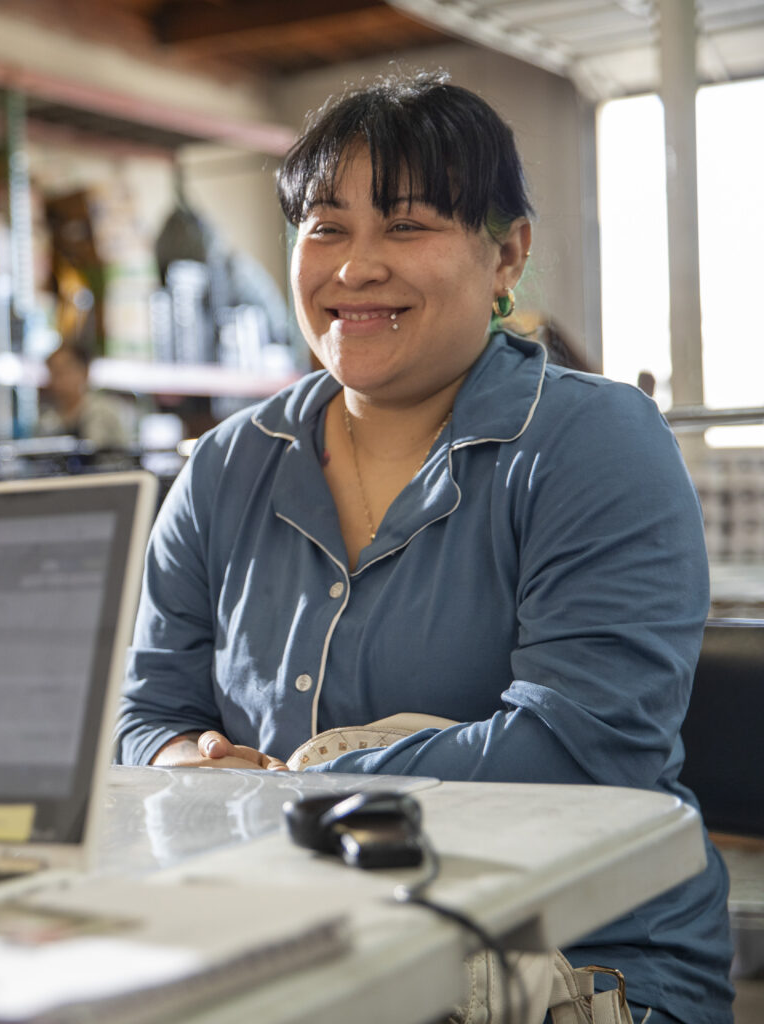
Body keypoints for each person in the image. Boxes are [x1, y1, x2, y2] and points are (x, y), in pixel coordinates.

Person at [116, 72, 732, 1024]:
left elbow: (583, 748)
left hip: (567, 956)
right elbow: (147, 710)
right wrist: (182, 762)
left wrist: (292, 791)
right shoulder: (227, 465)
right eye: (325, 228)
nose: (355, 268)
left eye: (406, 226)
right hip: (293, 938)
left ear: (505, 255)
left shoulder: (592, 442)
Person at [38, 343, 134, 450]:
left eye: (65, 371)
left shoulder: (103, 412)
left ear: (85, 371)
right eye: (54, 373)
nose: (59, 381)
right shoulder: (49, 420)